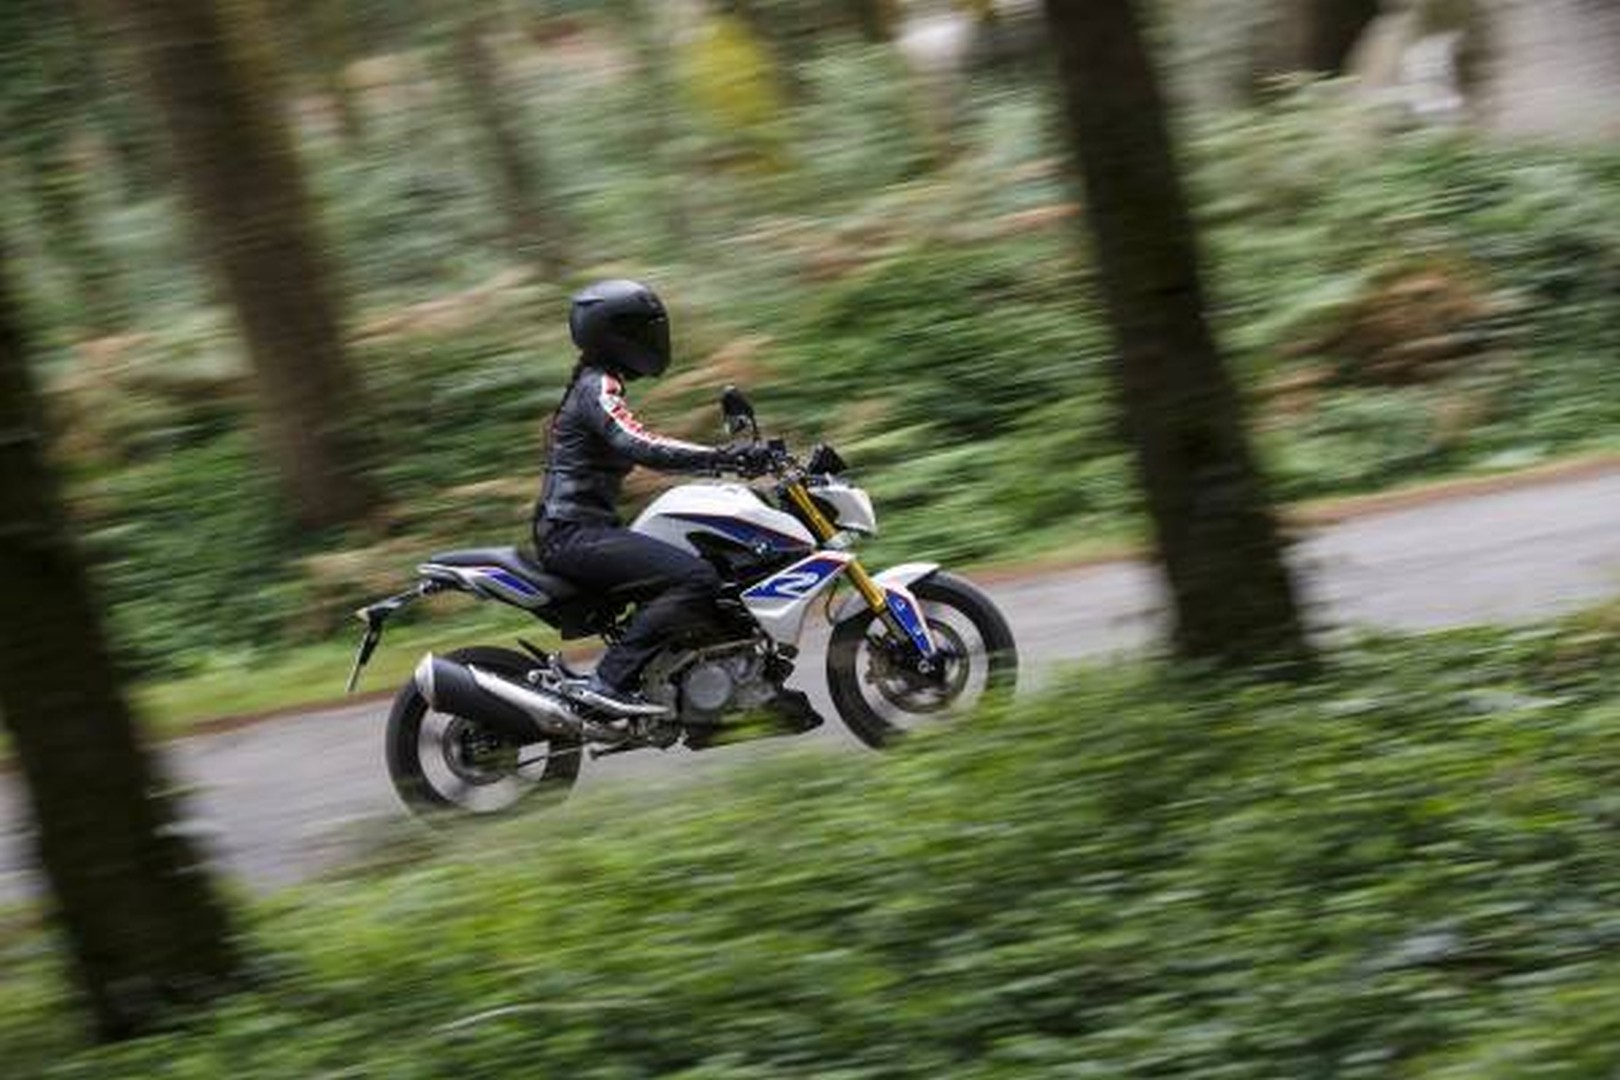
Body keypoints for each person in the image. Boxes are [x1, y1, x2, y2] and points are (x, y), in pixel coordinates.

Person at [533, 279, 769, 716]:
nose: (654, 338)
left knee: (700, 569)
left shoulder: (595, 383)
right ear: (615, 334)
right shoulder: (596, 387)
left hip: (582, 530)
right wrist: (724, 458)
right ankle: (608, 681)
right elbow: (639, 443)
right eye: (645, 329)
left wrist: (723, 461)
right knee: (696, 578)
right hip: (573, 534)